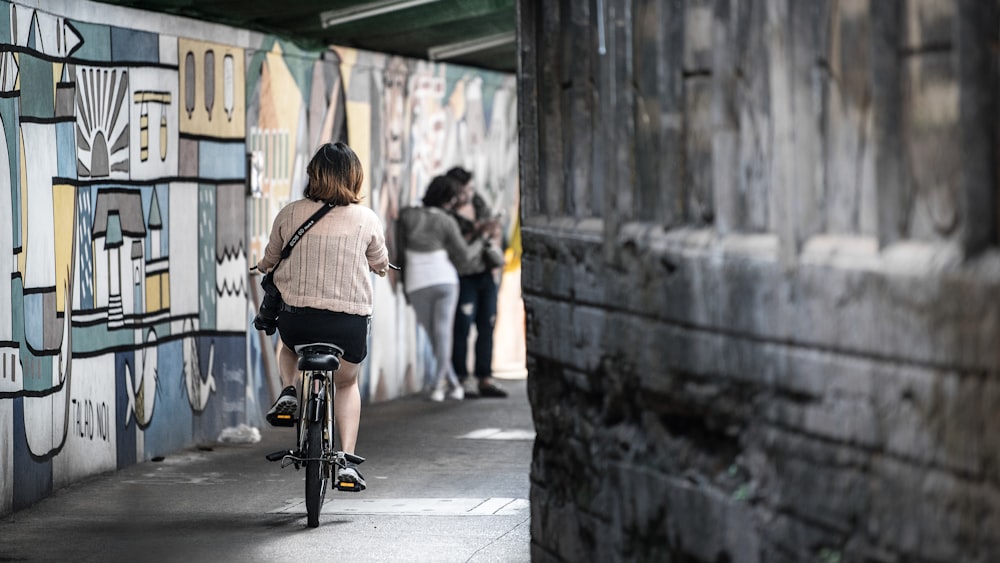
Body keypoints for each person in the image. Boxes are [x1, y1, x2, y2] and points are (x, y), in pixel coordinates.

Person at [256, 142, 389, 491]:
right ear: (354, 177)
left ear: (313, 174)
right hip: (348, 325)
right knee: (346, 383)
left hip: (299, 320)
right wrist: (379, 267)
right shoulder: (366, 219)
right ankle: (346, 459)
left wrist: (264, 266)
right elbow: (379, 261)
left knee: (287, 346)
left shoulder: (289, 213)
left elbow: (271, 257)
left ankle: (288, 391)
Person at [398, 175, 486, 402]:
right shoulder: (447, 222)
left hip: (417, 283)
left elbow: (400, 254)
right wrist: (482, 240)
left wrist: (404, 286)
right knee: (443, 334)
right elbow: (465, 257)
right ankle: (448, 383)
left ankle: (443, 383)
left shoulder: (407, 216)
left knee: (434, 336)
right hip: (446, 281)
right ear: (448, 201)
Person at [446, 167, 507, 398]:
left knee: (487, 324)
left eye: (470, 188)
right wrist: (479, 233)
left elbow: (495, 234)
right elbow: (457, 247)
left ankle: (485, 377)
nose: (468, 194)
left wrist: (493, 234)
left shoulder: (480, 204)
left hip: (486, 273)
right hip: (463, 276)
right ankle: (462, 378)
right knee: (461, 327)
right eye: (463, 190)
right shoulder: (448, 214)